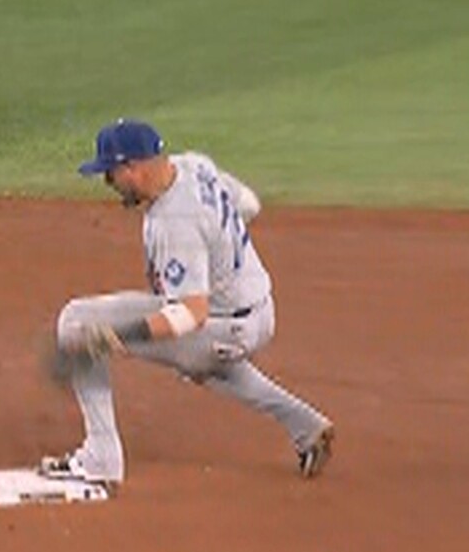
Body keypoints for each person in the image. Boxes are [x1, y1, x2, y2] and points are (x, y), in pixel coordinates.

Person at [41, 118, 335, 485]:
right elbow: (249, 205)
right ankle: (306, 425)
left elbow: (191, 313)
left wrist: (114, 336)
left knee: (79, 324)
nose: (108, 184)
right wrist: (216, 256)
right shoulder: (194, 165)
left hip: (219, 325)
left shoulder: (175, 221)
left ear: (133, 167)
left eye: (111, 174)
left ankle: (101, 459)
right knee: (211, 364)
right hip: (256, 311)